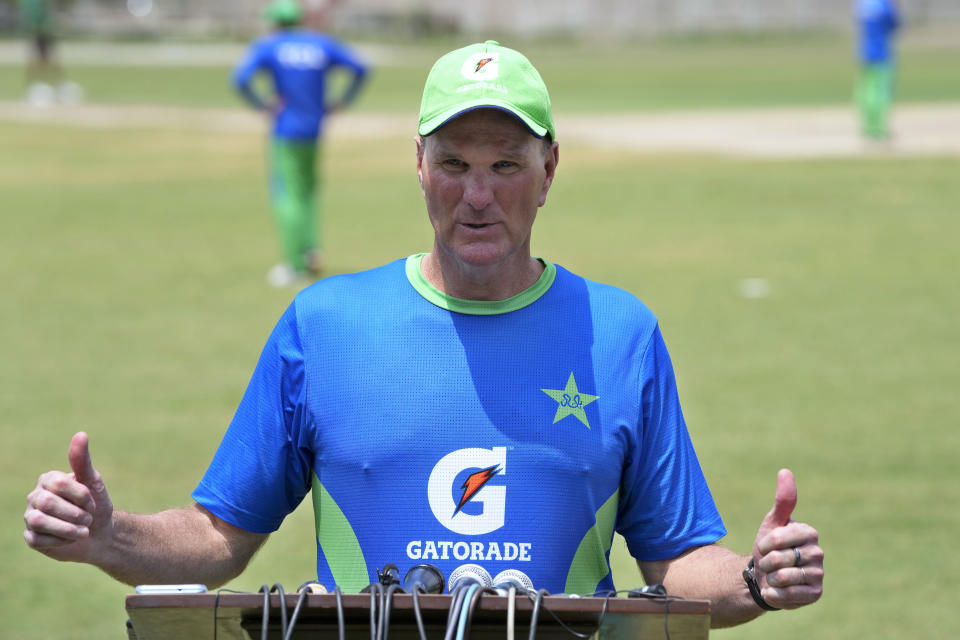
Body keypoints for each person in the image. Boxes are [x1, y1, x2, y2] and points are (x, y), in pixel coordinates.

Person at [23, 41, 823, 628]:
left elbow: (677, 565)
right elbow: (218, 536)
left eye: (505, 166)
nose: (477, 195)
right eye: (453, 163)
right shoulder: (326, 325)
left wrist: (755, 579)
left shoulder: (620, 333)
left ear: (549, 170)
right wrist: (107, 534)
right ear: (418, 165)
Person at [232, 0, 368, 287]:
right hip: (315, 130)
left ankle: (295, 265)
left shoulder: (269, 46)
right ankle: (310, 251)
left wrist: (261, 105)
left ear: (276, 22)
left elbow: (240, 79)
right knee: (307, 192)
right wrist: (344, 101)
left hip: (285, 132)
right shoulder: (321, 44)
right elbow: (360, 68)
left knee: (288, 195)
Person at [855, 0, 901, 140]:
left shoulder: (864, 3)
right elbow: (895, 24)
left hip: (865, 52)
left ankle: (868, 126)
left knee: (867, 91)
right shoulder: (884, 4)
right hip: (881, 53)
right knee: (880, 92)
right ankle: (878, 128)